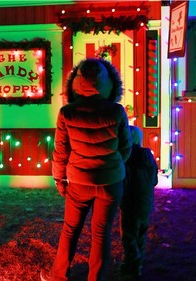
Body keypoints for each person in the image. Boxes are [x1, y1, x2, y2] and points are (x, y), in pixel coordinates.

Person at [41, 58, 133, 281]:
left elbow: (60, 151)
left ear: (76, 83)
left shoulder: (67, 112)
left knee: (70, 229)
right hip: (110, 183)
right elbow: (126, 146)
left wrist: (59, 179)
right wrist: (113, 165)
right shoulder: (116, 111)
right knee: (101, 234)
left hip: (79, 182)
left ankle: (58, 275)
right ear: (107, 82)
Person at [119, 126, 158, 279]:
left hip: (130, 203)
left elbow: (125, 182)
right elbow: (154, 180)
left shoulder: (127, 158)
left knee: (128, 236)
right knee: (141, 234)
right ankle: (138, 265)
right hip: (146, 202)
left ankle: (132, 265)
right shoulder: (148, 157)